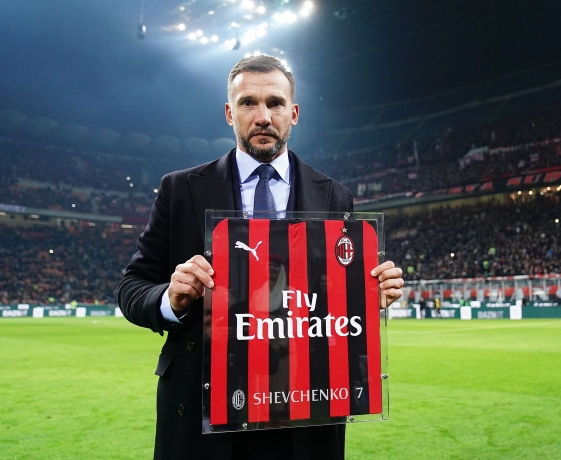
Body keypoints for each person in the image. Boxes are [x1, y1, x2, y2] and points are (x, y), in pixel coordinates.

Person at [118, 55, 404, 460]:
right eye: (248, 103)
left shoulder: (334, 196)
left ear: (294, 113)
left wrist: (363, 296)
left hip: (306, 406)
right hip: (206, 408)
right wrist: (170, 298)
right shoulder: (180, 189)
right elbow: (132, 287)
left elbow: (333, 299)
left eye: (275, 103)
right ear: (229, 113)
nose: (263, 116)